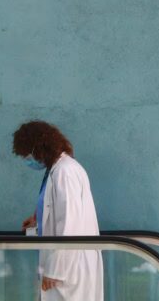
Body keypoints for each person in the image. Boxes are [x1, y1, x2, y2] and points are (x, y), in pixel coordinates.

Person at [14, 121, 103, 301]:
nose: (27, 160)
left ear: (38, 148)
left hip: (69, 270)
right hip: (65, 265)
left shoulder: (65, 172)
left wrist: (56, 270)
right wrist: (38, 221)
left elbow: (70, 223)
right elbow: (57, 210)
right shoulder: (57, 170)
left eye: (27, 154)